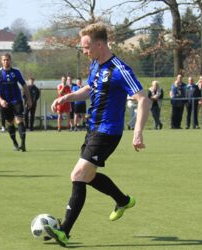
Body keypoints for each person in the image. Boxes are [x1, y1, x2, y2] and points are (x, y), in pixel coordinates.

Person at [44, 22, 150, 247]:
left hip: (108, 132)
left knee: (78, 175)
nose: (84, 52)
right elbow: (89, 89)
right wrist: (67, 97)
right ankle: (123, 201)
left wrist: (137, 132)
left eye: (86, 47)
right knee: (89, 176)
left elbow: (143, 99)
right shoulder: (95, 65)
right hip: (93, 130)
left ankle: (64, 231)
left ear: (100, 44)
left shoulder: (120, 70)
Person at [0, 52, 32, 151]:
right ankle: (15, 143)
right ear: (1, 61)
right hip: (5, 102)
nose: (6, 61)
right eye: (4, 60)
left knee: (19, 119)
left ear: (10, 60)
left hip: (16, 100)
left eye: (8, 59)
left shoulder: (16, 72)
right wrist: (0, 100)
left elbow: (24, 85)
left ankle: (23, 144)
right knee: (10, 122)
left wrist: (29, 99)